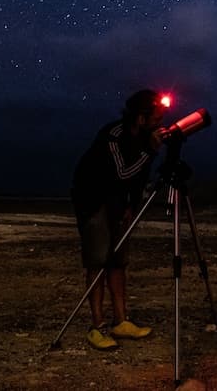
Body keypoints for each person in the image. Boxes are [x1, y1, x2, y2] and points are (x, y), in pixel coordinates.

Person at [71, 89, 166, 350]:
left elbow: (138, 180)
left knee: (117, 262)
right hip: (93, 200)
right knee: (98, 261)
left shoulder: (143, 139)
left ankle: (121, 321)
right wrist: (150, 152)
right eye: (156, 119)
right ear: (140, 118)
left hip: (117, 204)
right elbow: (123, 173)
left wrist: (131, 207)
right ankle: (97, 326)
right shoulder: (112, 136)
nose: (160, 124)